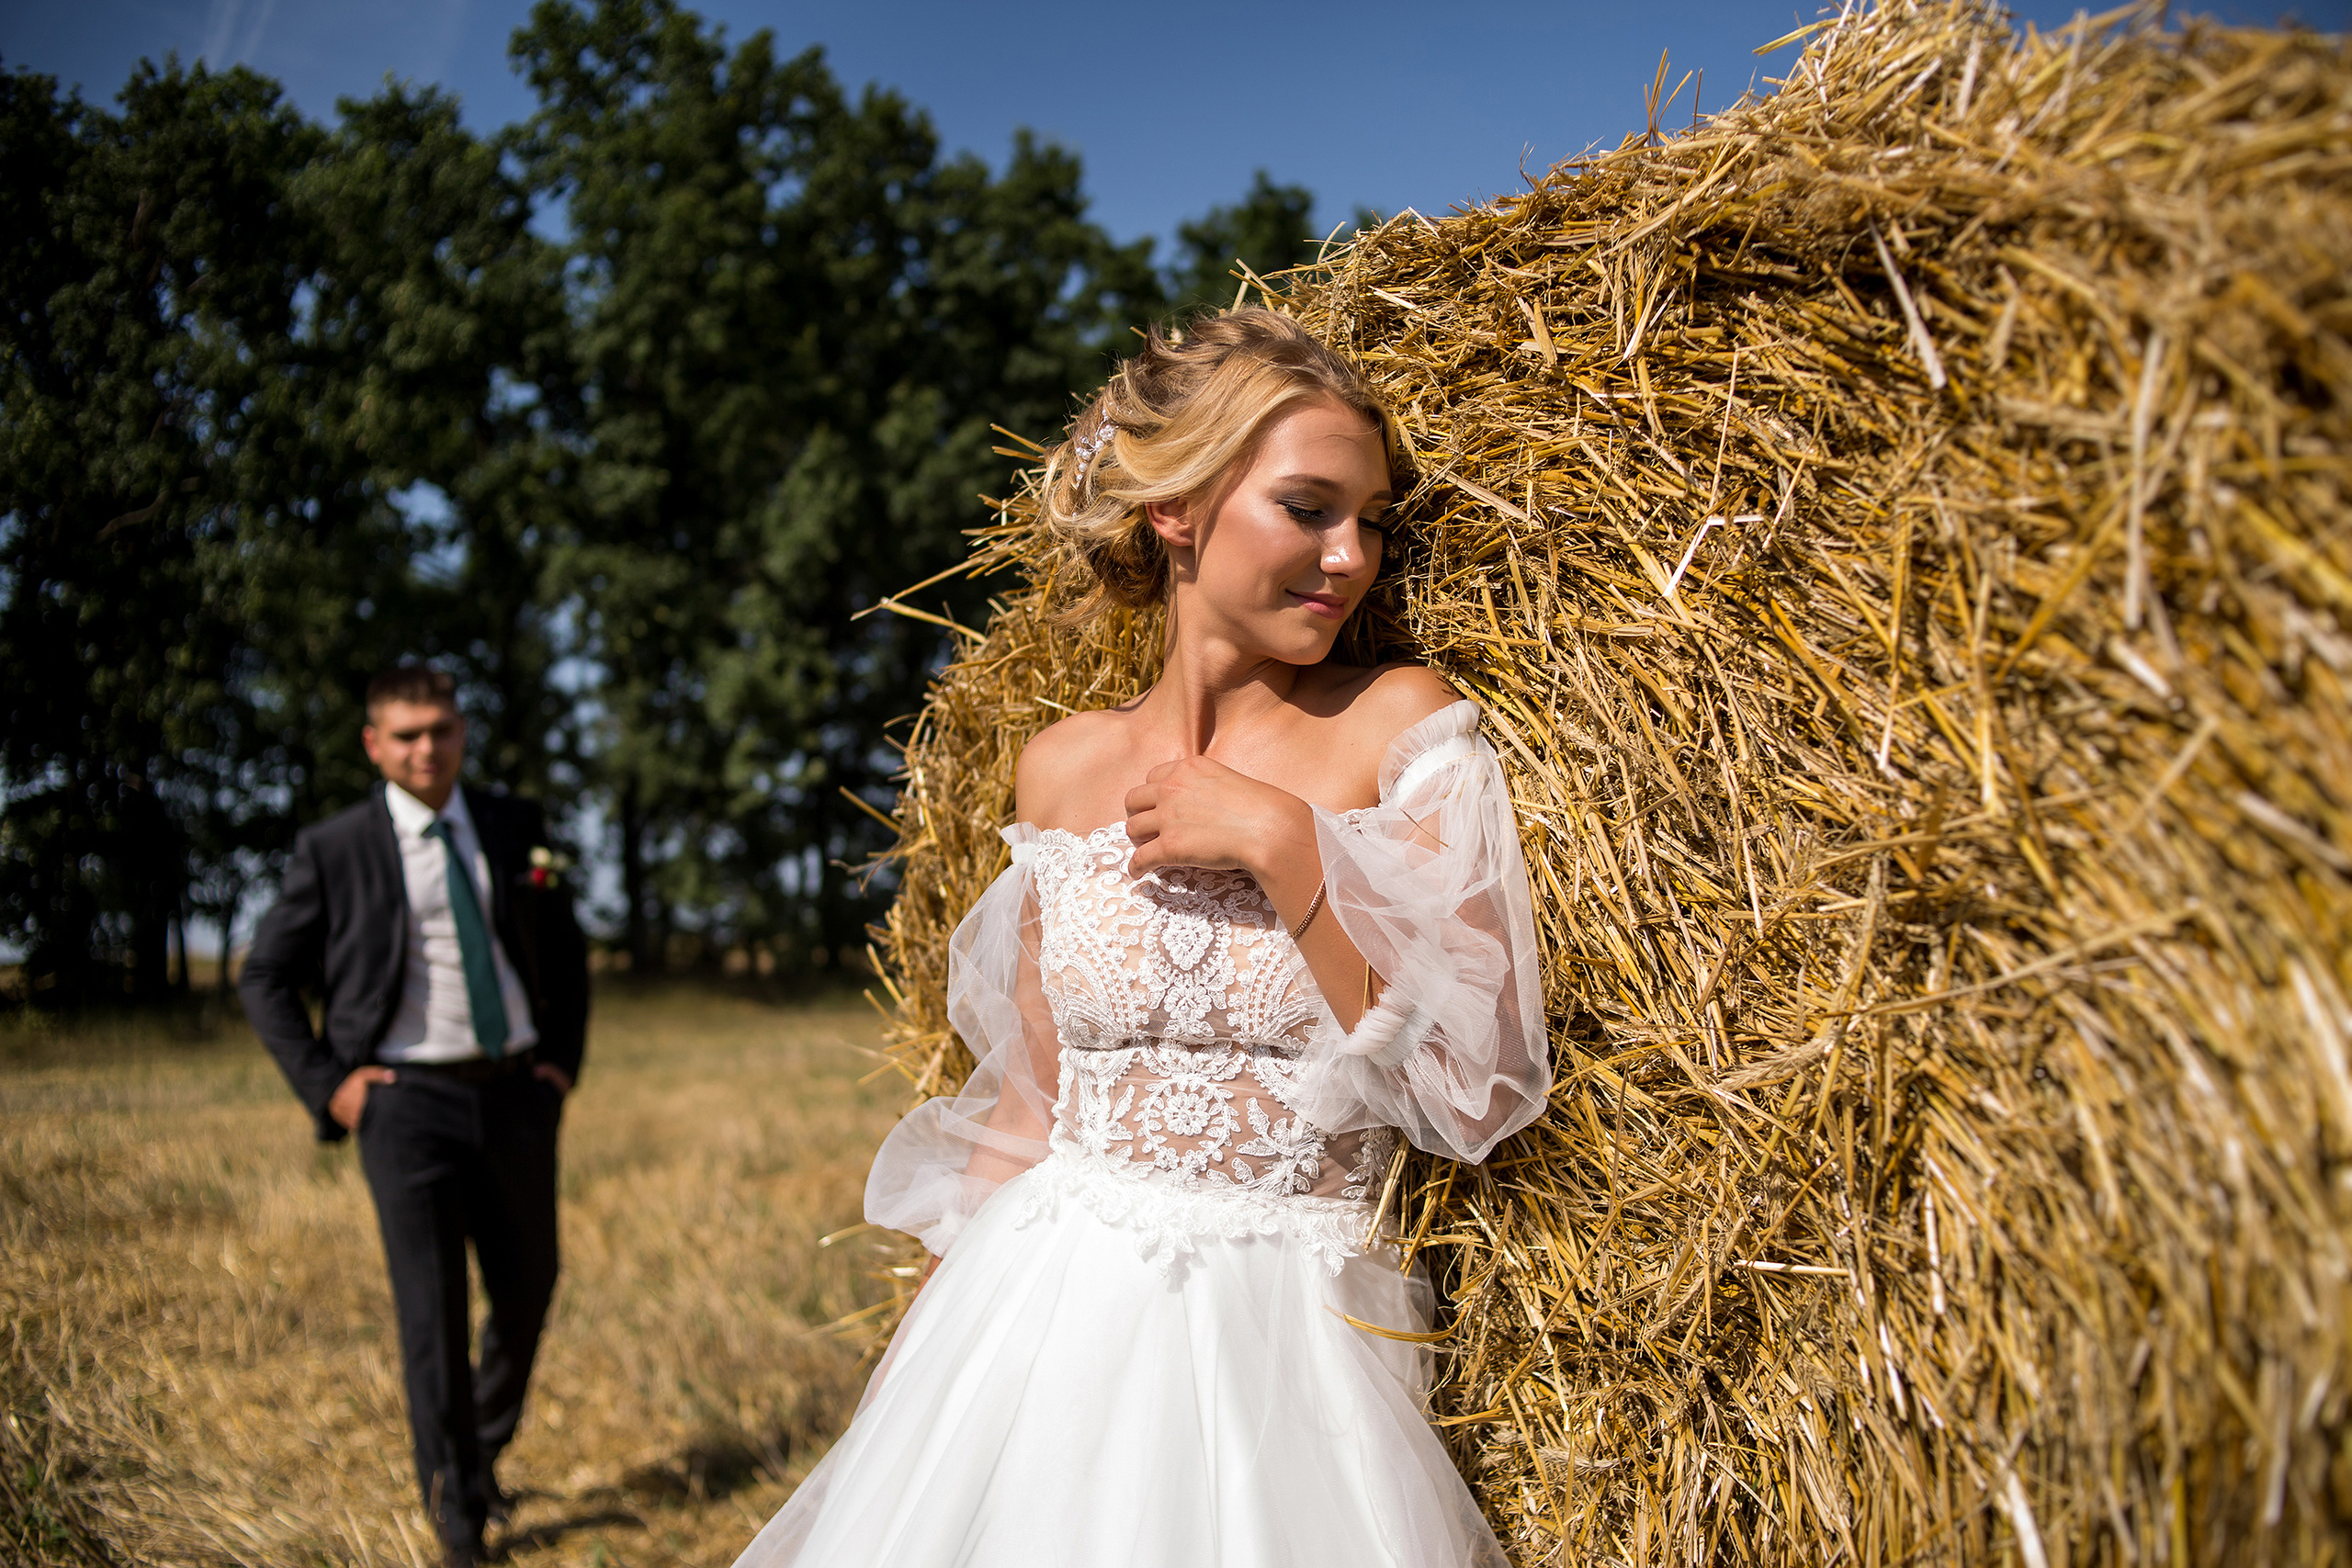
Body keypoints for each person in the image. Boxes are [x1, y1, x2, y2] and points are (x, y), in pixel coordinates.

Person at [733, 308, 1551, 1568]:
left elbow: (1478, 1084)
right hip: (1042, 1312)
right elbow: (1029, 1107)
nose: (1352, 556)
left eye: (1372, 519)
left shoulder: (1398, 728)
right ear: (1177, 510)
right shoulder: (1061, 767)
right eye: (1309, 507)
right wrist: (919, 1379)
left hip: (1291, 1349)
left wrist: (1293, 851)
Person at [240, 664, 590, 1568]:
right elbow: (264, 975)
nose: (424, 748)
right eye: (404, 734)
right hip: (404, 1105)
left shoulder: (516, 825)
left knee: (528, 1287)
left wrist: (558, 1065)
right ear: (374, 744)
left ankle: (478, 1449)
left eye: (438, 729)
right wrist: (330, 1084)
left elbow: (566, 951)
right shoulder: (336, 846)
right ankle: (457, 1516)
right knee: (430, 1312)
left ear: (461, 731)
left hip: (515, 1092)